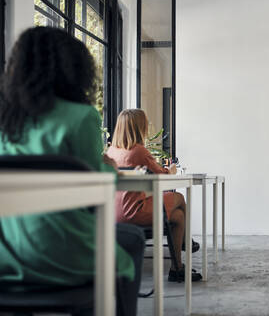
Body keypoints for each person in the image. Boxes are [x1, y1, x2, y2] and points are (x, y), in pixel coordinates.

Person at [0, 27, 144, 316]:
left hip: (7, 253)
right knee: (132, 239)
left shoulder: (7, 122)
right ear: (74, 68)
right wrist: (111, 166)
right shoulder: (80, 117)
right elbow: (96, 190)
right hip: (57, 250)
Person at [107, 109, 202, 282]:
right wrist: (171, 170)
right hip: (134, 212)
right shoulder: (139, 151)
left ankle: (178, 267)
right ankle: (184, 244)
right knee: (179, 198)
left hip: (113, 215)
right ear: (138, 127)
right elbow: (162, 175)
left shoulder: (110, 152)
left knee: (178, 217)